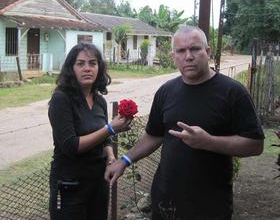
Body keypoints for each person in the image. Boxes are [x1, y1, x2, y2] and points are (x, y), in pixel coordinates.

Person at [105, 25, 265, 220]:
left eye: (195, 49)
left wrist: (208, 142)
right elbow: (154, 135)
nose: (188, 56)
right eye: (181, 51)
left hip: (209, 206)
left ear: (207, 52)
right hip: (165, 202)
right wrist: (124, 160)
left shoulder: (232, 92)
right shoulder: (166, 92)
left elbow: (255, 145)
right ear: (174, 56)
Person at [48, 43, 131, 220]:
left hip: (98, 181)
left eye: (92, 63)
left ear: (99, 68)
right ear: (71, 68)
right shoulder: (61, 99)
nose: (87, 68)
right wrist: (110, 128)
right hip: (70, 184)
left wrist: (110, 157)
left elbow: (105, 139)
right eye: (81, 63)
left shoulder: (99, 101)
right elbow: (70, 145)